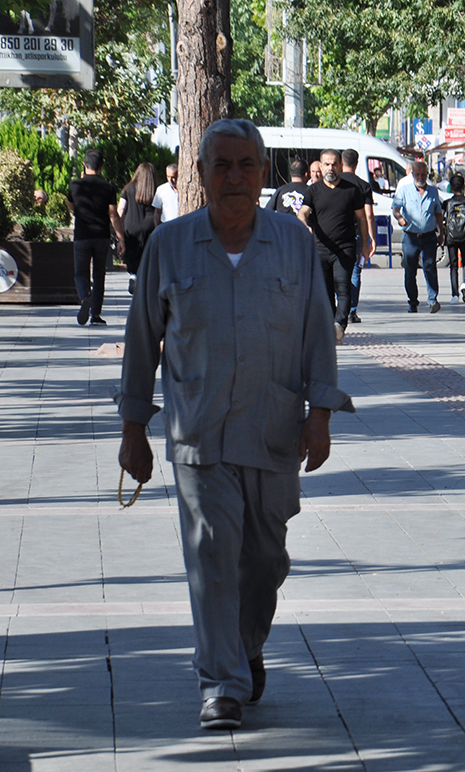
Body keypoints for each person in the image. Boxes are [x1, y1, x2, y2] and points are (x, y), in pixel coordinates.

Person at [116, 119, 353, 731]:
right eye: (220, 165)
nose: (234, 178)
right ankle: (221, 681)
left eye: (246, 165)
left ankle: (245, 647)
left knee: (265, 562)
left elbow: (315, 333)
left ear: (263, 173)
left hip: (272, 430)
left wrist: (320, 414)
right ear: (199, 174)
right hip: (198, 435)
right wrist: (133, 429)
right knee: (212, 554)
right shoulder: (169, 247)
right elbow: (141, 341)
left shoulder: (292, 244)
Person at [297, 149, 370, 343]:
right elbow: (303, 211)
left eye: (334, 164)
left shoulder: (351, 190)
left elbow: (362, 219)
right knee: (326, 292)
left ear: (340, 165)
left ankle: (339, 324)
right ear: (320, 166)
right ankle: (332, 328)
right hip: (320, 248)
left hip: (345, 248)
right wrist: (303, 222)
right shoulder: (313, 190)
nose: (330, 168)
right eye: (327, 164)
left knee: (343, 288)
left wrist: (365, 244)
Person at [67, 149, 125, 326]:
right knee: (99, 275)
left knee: (81, 272)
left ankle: (85, 297)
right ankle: (96, 314)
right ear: (102, 167)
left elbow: (70, 206)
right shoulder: (108, 187)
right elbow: (113, 215)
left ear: (84, 165)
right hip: (101, 236)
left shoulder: (75, 186)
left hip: (82, 235)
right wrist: (121, 238)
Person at [392, 160, 443, 314]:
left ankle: (432, 300)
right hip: (410, 237)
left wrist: (441, 232)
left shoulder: (433, 192)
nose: (420, 177)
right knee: (410, 270)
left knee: (430, 267)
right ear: (412, 174)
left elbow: (438, 213)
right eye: (417, 174)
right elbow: (395, 208)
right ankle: (412, 302)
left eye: (423, 174)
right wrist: (400, 218)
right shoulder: (404, 190)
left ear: (427, 175)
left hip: (428, 236)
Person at [340, 149, 376, 324]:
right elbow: (368, 215)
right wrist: (371, 238)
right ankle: (351, 311)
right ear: (357, 163)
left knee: (337, 271)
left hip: (336, 233)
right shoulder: (363, 186)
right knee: (355, 271)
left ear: (341, 162)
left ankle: (339, 308)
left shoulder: (334, 183)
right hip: (355, 234)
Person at [118, 162, 159, 292]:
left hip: (131, 225)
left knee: (132, 252)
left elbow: (121, 209)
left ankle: (134, 275)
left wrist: (117, 228)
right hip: (150, 225)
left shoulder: (128, 189)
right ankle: (144, 280)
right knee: (147, 254)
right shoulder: (155, 189)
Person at [441, 172, 465, 305]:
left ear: (451, 187)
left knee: (453, 265)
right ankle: (464, 284)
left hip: (451, 237)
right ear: (463, 187)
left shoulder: (447, 203)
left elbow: (440, 216)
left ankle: (454, 295)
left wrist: (442, 229)